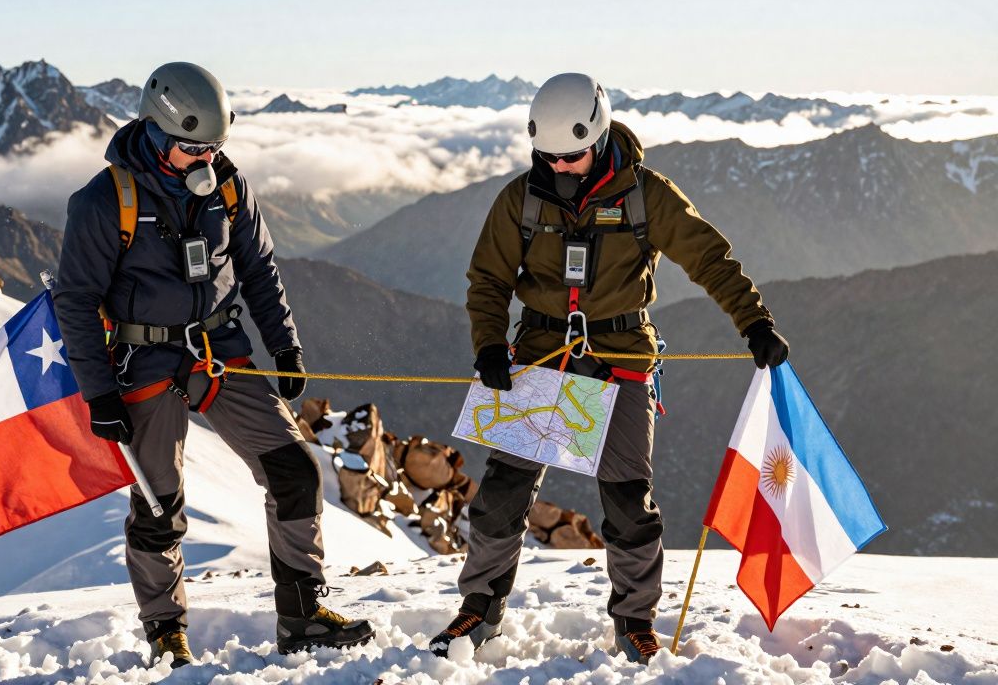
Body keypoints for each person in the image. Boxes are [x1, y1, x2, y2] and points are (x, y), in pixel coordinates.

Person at [432, 73, 790, 664]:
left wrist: (755, 323)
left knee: (627, 500)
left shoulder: (646, 195)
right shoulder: (522, 198)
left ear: (598, 137)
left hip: (621, 354)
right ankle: (480, 608)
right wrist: (489, 345)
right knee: (502, 493)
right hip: (541, 351)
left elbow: (709, 258)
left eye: (571, 156)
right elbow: (489, 279)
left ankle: (634, 622)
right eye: (548, 157)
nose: (560, 167)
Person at [53, 62, 373, 667]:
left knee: (294, 470)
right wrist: (99, 393)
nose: (205, 158)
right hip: (143, 358)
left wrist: (284, 346)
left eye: (214, 147)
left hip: (218, 349)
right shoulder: (104, 200)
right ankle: (166, 632)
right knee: (158, 504)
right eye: (192, 147)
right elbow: (75, 300)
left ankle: (302, 615)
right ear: (156, 131)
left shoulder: (227, 184)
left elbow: (258, 269)